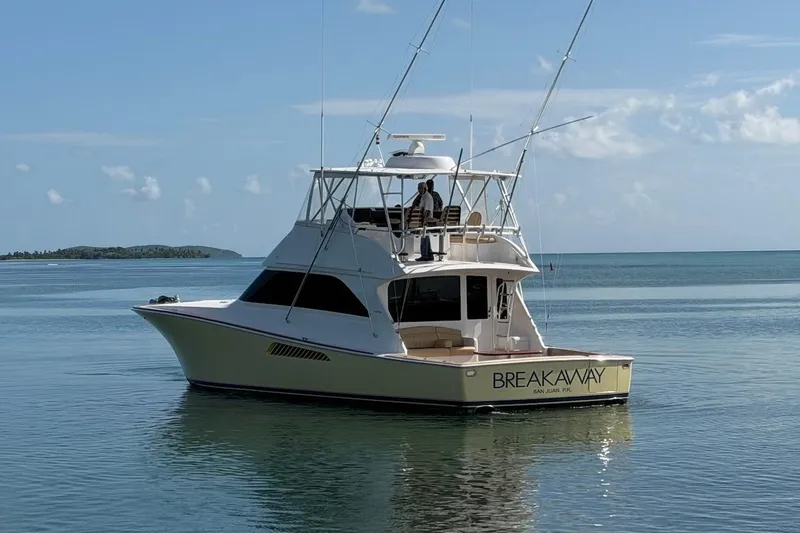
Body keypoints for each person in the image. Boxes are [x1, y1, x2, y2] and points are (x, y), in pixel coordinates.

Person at [408, 181, 435, 261]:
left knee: (424, 235)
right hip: (425, 220)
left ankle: (424, 255)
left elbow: (427, 211)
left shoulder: (427, 197)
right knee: (426, 235)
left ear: (424, 188)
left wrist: (422, 222)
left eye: (419, 188)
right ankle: (429, 254)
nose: (418, 190)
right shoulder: (424, 196)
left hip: (426, 220)